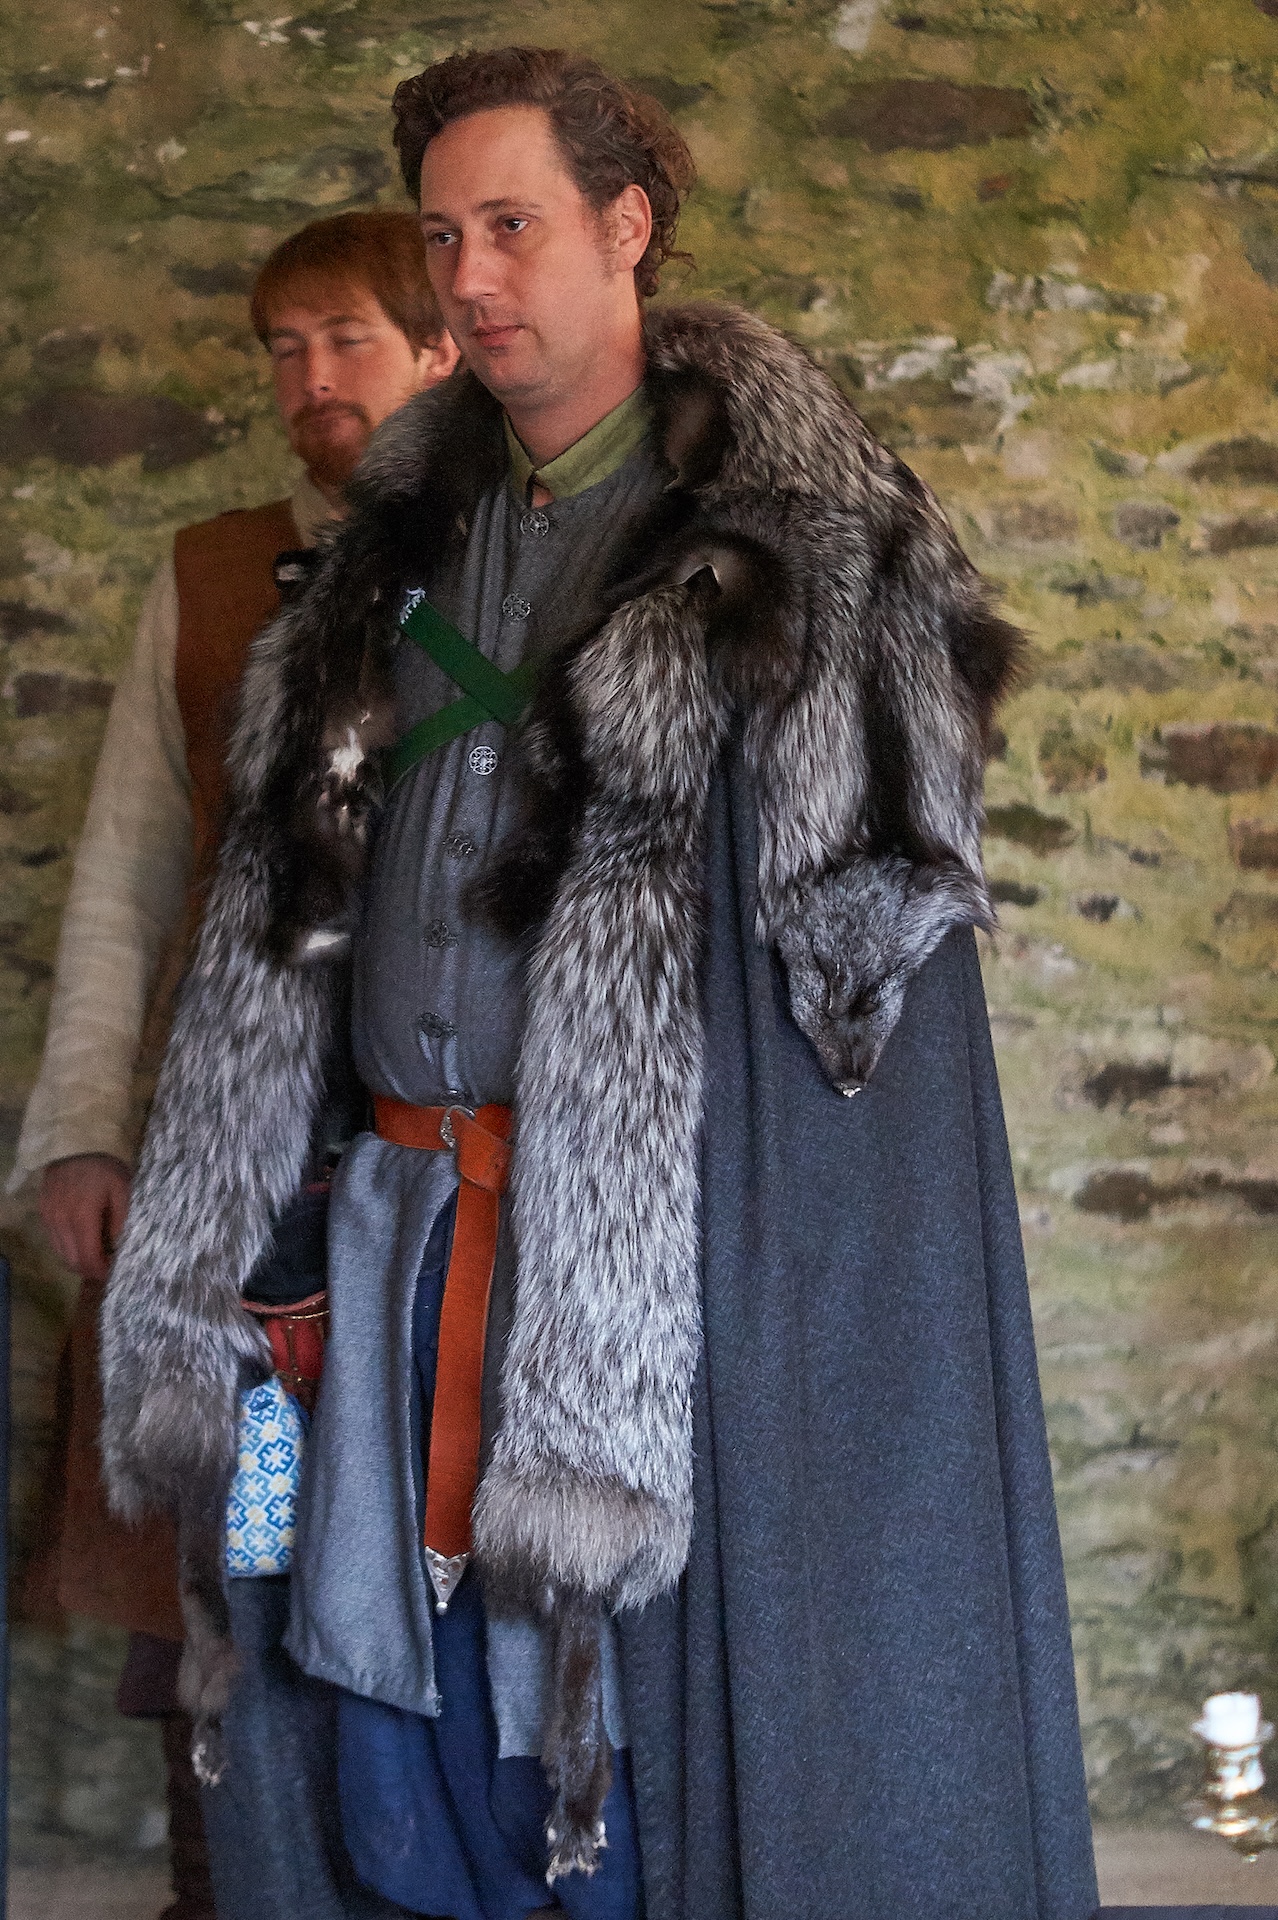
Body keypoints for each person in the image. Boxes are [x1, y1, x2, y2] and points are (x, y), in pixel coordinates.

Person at [101, 47, 1100, 1920]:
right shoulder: (382, 557)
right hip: (388, 1240)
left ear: (625, 227)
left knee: (627, 1791)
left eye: (513, 226)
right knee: (388, 1764)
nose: (470, 277)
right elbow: (291, 915)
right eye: (441, 237)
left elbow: (861, 1010)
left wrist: (748, 1300)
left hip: (655, 1288)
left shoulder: (802, 552)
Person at [13, 206, 456, 1920]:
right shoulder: (209, 575)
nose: (309, 377)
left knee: (421, 1557)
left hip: (430, 1155)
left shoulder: (513, 572)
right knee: (223, 1549)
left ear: (439, 350)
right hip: (222, 1173)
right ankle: (230, 1886)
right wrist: (81, 1133)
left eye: (347, 339)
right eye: (285, 348)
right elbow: (127, 874)